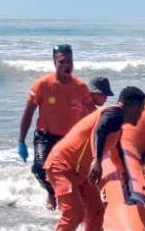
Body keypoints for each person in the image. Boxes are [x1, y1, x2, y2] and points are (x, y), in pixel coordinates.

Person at [43, 86, 145, 231]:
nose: (142, 113)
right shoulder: (114, 113)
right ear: (132, 106)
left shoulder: (117, 126)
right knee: (74, 213)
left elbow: (116, 152)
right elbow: (100, 130)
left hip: (81, 171)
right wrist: (97, 161)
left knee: (96, 210)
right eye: (141, 108)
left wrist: (123, 173)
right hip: (62, 166)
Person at [18, 44, 94, 211]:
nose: (67, 65)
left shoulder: (80, 87)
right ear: (54, 63)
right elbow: (29, 112)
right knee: (39, 168)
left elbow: (92, 113)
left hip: (70, 138)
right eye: (62, 61)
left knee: (73, 172)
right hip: (45, 136)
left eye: (70, 61)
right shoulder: (42, 85)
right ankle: (52, 194)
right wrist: (21, 141)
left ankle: (71, 198)